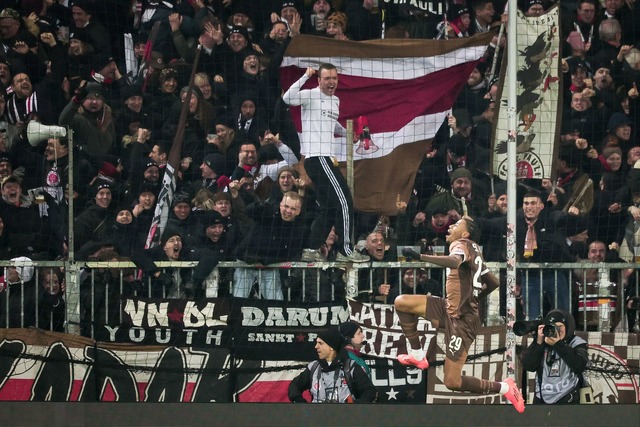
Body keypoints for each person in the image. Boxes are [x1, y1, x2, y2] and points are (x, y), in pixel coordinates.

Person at [395, 216, 525, 413]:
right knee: (402, 302)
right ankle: (417, 354)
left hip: (462, 322)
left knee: (452, 381)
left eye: (456, 225)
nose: (450, 227)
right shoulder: (475, 250)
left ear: (465, 234)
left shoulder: (461, 244)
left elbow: (454, 262)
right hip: (449, 308)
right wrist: (474, 299)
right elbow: (494, 283)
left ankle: (506, 387)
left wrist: (420, 257)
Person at [282, 63, 368, 263]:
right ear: (319, 80)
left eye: (334, 78)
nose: (331, 82)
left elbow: (331, 125)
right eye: (327, 78)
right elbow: (287, 98)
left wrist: (347, 134)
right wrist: (305, 76)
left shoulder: (335, 101)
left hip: (326, 159)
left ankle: (312, 248)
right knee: (345, 201)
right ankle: (346, 250)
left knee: (329, 207)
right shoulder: (310, 95)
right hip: (317, 158)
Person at [288, 327, 377, 403]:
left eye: (320, 343)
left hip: (345, 420)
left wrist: (354, 409)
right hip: (316, 419)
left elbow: (370, 391)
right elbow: (294, 386)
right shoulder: (313, 367)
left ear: (331, 347)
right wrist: (301, 404)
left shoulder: (350, 367)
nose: (316, 346)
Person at [522, 309, 589, 404]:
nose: (557, 330)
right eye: (553, 327)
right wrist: (538, 343)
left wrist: (558, 345)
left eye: (560, 326)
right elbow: (528, 366)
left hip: (568, 398)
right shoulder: (543, 342)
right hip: (542, 399)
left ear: (567, 327)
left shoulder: (576, 342)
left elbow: (579, 366)